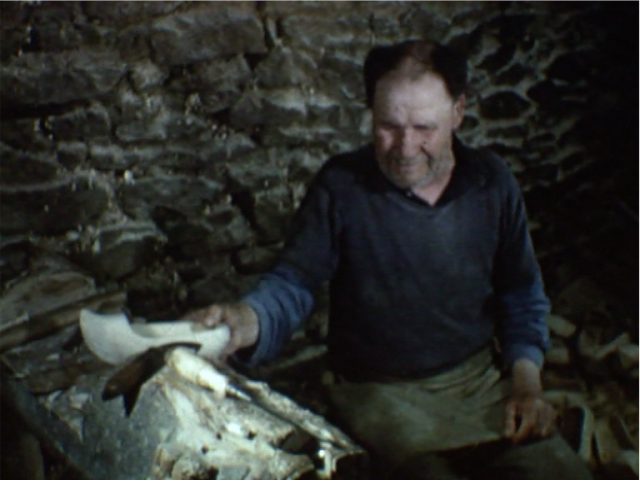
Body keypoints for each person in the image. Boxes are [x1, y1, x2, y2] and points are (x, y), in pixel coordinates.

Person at [187, 40, 591, 479]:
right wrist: (245, 321)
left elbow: (522, 292)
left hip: (476, 384)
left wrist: (527, 386)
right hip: (375, 390)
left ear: (458, 112)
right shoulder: (342, 187)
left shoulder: (490, 183)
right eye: (388, 126)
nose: (405, 147)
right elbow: (294, 283)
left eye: (424, 128)